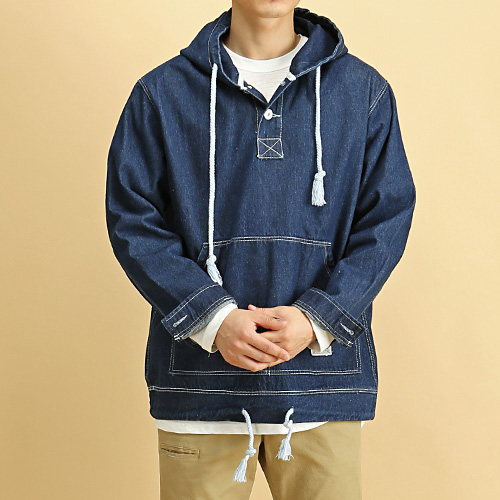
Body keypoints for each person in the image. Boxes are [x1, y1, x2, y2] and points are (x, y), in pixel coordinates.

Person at [105, 1, 417, 499]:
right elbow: (133, 221)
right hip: (201, 386)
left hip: (321, 383)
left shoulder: (364, 91)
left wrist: (316, 319)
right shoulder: (161, 93)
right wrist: (213, 320)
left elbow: (386, 220)